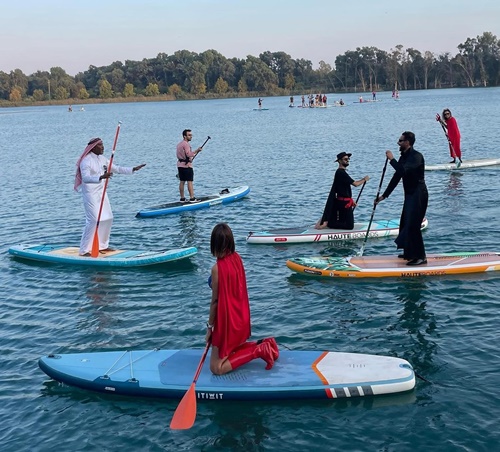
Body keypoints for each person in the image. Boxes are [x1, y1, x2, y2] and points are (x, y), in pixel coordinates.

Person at [205, 223, 279, 375]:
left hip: (227, 323)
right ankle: (264, 344)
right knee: (229, 352)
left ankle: (258, 350)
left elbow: (215, 303)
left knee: (216, 368)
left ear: (214, 244)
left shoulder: (216, 269)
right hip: (241, 317)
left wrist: (210, 328)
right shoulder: (237, 258)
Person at [74, 137, 146, 256]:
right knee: (93, 221)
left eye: (102, 145)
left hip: (101, 193)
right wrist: (101, 177)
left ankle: (102, 246)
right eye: (100, 145)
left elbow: (116, 168)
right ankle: (84, 250)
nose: (103, 147)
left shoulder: (102, 159)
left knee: (108, 218)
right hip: (90, 194)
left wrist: (132, 169)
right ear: (93, 147)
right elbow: (85, 178)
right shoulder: (86, 161)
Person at [375, 131, 428, 266]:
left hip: (419, 194)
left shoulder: (416, 157)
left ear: (407, 143)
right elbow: (396, 177)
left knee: (413, 224)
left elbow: (403, 171)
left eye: (400, 141)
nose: (398, 143)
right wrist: (384, 196)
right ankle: (409, 253)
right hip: (410, 194)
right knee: (404, 223)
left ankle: (421, 257)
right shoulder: (404, 158)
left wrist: (391, 159)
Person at [316, 152, 369, 230]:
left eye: (348, 159)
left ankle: (329, 221)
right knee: (350, 226)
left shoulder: (341, 173)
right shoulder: (341, 173)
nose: (347, 160)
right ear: (339, 161)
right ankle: (329, 223)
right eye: (345, 159)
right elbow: (356, 184)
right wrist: (364, 179)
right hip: (344, 204)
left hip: (343, 202)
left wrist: (351, 200)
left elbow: (342, 189)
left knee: (344, 222)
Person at [177, 129, 202, 203]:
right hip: (187, 166)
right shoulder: (186, 144)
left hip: (180, 165)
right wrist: (197, 150)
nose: (191, 136)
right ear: (184, 136)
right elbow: (189, 154)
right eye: (189, 135)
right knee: (189, 181)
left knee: (182, 181)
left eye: (191, 135)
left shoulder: (179, 144)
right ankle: (192, 198)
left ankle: (182, 198)